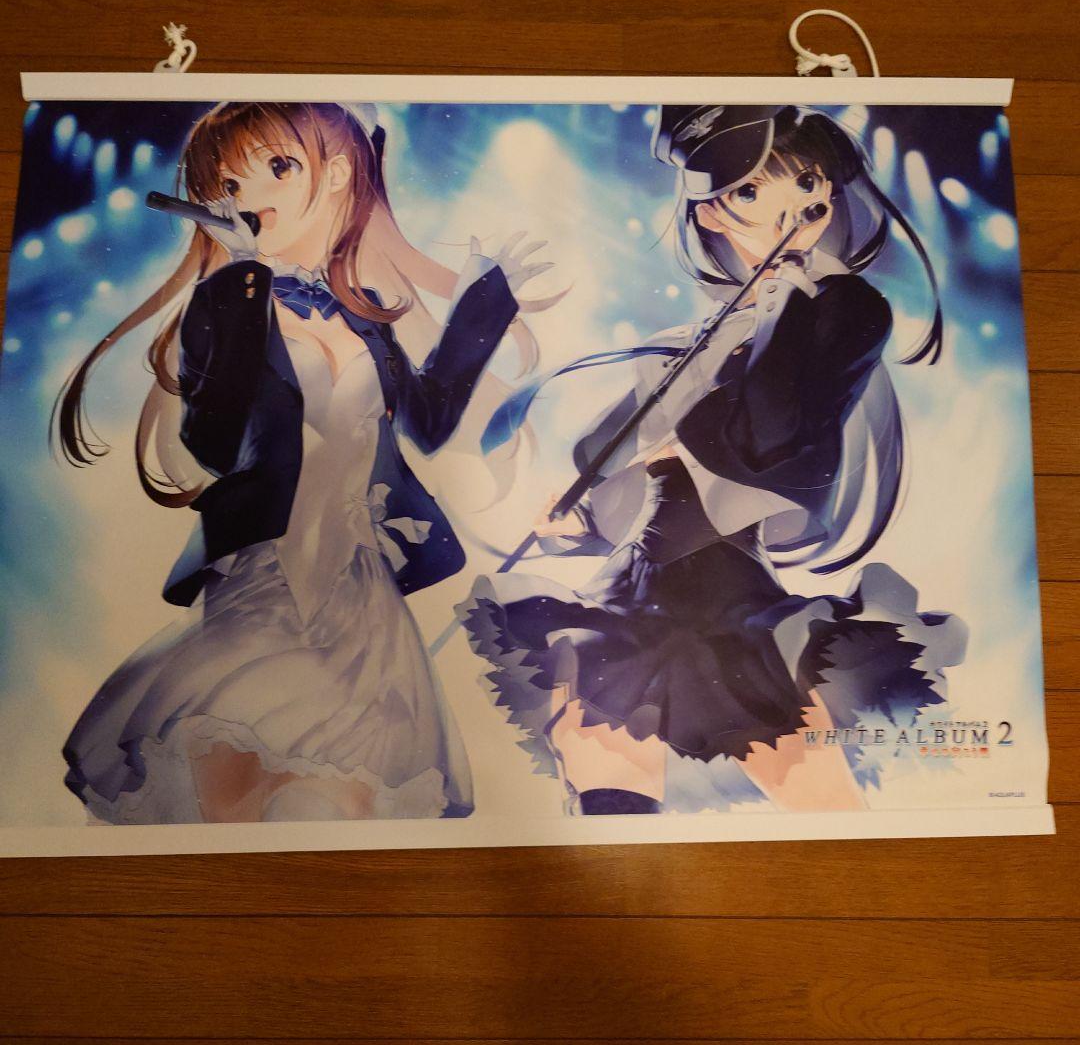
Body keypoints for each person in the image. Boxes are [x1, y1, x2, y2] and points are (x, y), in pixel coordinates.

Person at [457, 104, 967, 815]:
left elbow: (773, 433)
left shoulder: (845, 309)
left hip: (729, 595)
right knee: (608, 804)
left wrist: (782, 292)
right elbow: (616, 457)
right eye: (752, 190)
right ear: (712, 214)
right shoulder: (693, 339)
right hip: (628, 589)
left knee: (823, 812)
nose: (793, 205)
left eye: (807, 182)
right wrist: (582, 524)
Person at [56, 101, 552, 824]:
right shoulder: (223, 303)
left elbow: (429, 422)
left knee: (348, 803)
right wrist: (246, 280)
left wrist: (483, 302)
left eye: (278, 168)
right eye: (229, 185)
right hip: (263, 581)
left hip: (364, 597)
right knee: (238, 788)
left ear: (339, 172)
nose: (250, 197)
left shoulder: (364, 314)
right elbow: (213, 443)